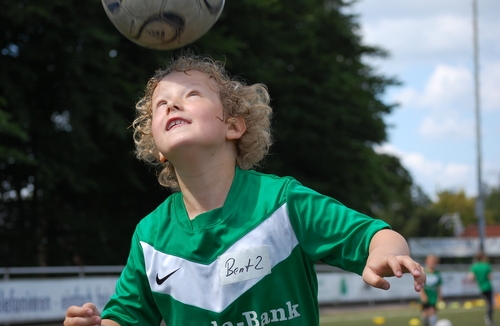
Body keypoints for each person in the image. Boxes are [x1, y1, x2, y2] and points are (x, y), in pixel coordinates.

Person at [64, 53, 426, 326]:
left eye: (191, 94)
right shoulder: (150, 237)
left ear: (234, 126)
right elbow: (126, 317)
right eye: (161, 104)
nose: (172, 103)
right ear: (157, 147)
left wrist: (385, 252)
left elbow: (374, 235)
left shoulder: (283, 203)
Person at [468, 251, 494, 325]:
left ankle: (488, 317)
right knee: (490, 303)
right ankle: (488, 318)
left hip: (481, 287)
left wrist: (478, 279)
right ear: (483, 258)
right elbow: (490, 277)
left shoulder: (474, 266)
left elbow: (470, 277)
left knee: (488, 303)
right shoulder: (486, 265)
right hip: (488, 287)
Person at [419, 254, 443, 326]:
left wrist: (440, 297)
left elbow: (438, 286)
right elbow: (420, 285)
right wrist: (422, 295)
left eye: (434, 262)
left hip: (433, 297)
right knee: (425, 313)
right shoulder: (423, 272)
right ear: (426, 262)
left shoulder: (437, 273)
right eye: (430, 262)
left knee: (432, 311)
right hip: (426, 295)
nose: (432, 264)